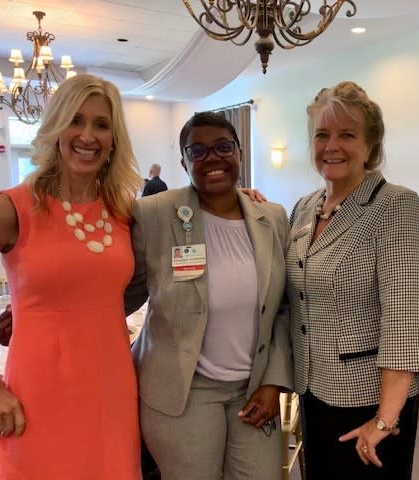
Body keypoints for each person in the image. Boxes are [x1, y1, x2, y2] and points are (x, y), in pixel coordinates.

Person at [0, 74, 142, 478]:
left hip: (112, 394)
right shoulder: (13, 208)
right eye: (76, 120)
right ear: (55, 127)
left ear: (114, 139)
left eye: (101, 124)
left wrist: (241, 198)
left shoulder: (122, 211)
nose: (88, 136)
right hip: (37, 397)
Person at [124, 111, 293, 480]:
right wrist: (40, 307)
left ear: (239, 153)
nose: (212, 158)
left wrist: (273, 381)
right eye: (197, 151)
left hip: (253, 388)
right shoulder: (153, 214)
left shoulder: (273, 217)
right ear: (184, 162)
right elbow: (118, 289)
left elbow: (282, 307)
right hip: (183, 392)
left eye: (223, 147)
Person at [286, 81, 419, 479]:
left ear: (371, 146)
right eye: (322, 135)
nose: (332, 146)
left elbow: (403, 318)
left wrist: (385, 419)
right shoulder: (305, 207)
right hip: (314, 388)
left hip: (372, 402)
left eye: (347, 135)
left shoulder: (395, 205)